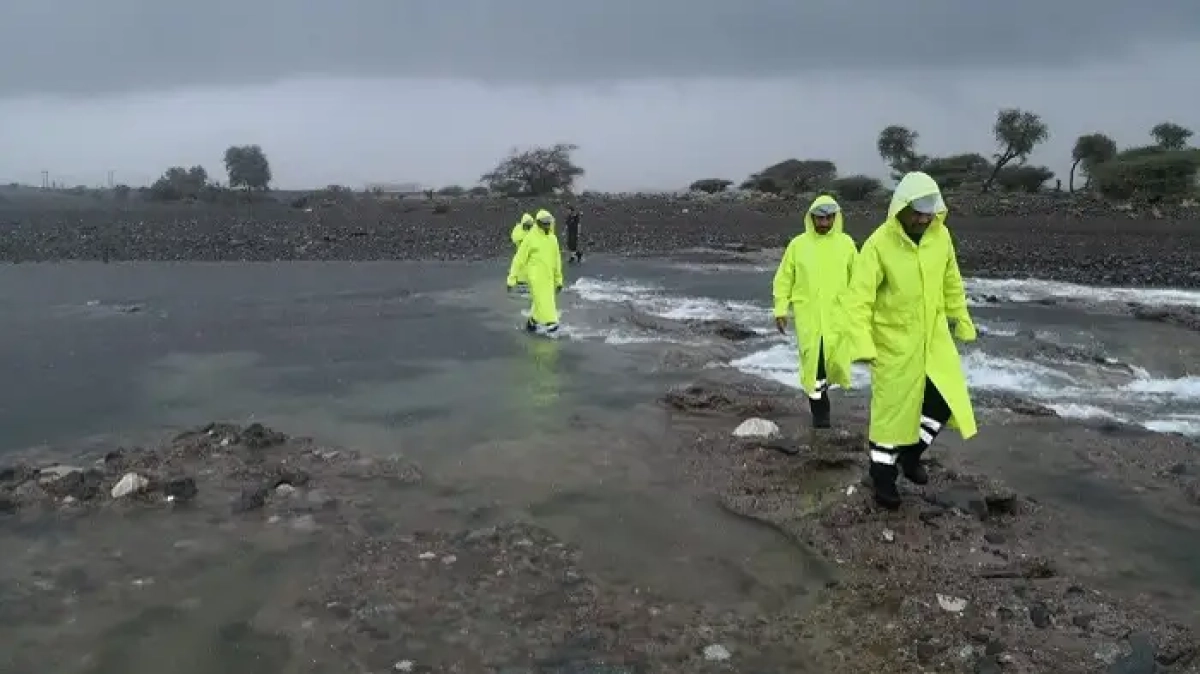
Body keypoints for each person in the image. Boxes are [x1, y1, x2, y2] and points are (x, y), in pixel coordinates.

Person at [839, 171, 978, 510]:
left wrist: (961, 317)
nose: (922, 219)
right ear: (899, 208)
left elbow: (951, 281)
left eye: (928, 212)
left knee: (944, 401)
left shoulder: (940, 237)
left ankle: (911, 455)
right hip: (893, 342)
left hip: (933, 338)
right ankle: (882, 478)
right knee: (890, 414)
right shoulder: (878, 245)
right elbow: (858, 299)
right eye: (916, 211)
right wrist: (862, 343)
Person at [771, 195, 858, 429]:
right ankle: (821, 416)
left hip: (838, 319)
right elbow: (784, 279)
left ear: (835, 218)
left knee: (833, 365)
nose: (824, 223)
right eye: (820, 218)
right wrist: (781, 309)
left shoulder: (846, 244)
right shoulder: (798, 245)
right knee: (814, 366)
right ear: (812, 218)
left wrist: (863, 314)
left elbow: (859, 281)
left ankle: (822, 404)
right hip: (808, 319)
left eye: (829, 218)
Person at [507, 209, 564, 336]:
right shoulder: (530, 239)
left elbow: (557, 260)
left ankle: (533, 322)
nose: (547, 225)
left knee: (541, 300)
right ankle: (551, 322)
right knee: (544, 300)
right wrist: (512, 279)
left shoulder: (553, 239)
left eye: (548, 223)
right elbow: (519, 259)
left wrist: (558, 279)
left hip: (548, 276)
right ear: (538, 223)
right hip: (535, 276)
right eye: (544, 223)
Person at [509, 213, 535, 293]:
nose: (528, 226)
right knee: (520, 267)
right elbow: (515, 238)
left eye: (529, 225)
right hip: (521, 253)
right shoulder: (518, 229)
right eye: (527, 225)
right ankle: (520, 282)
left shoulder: (534, 229)